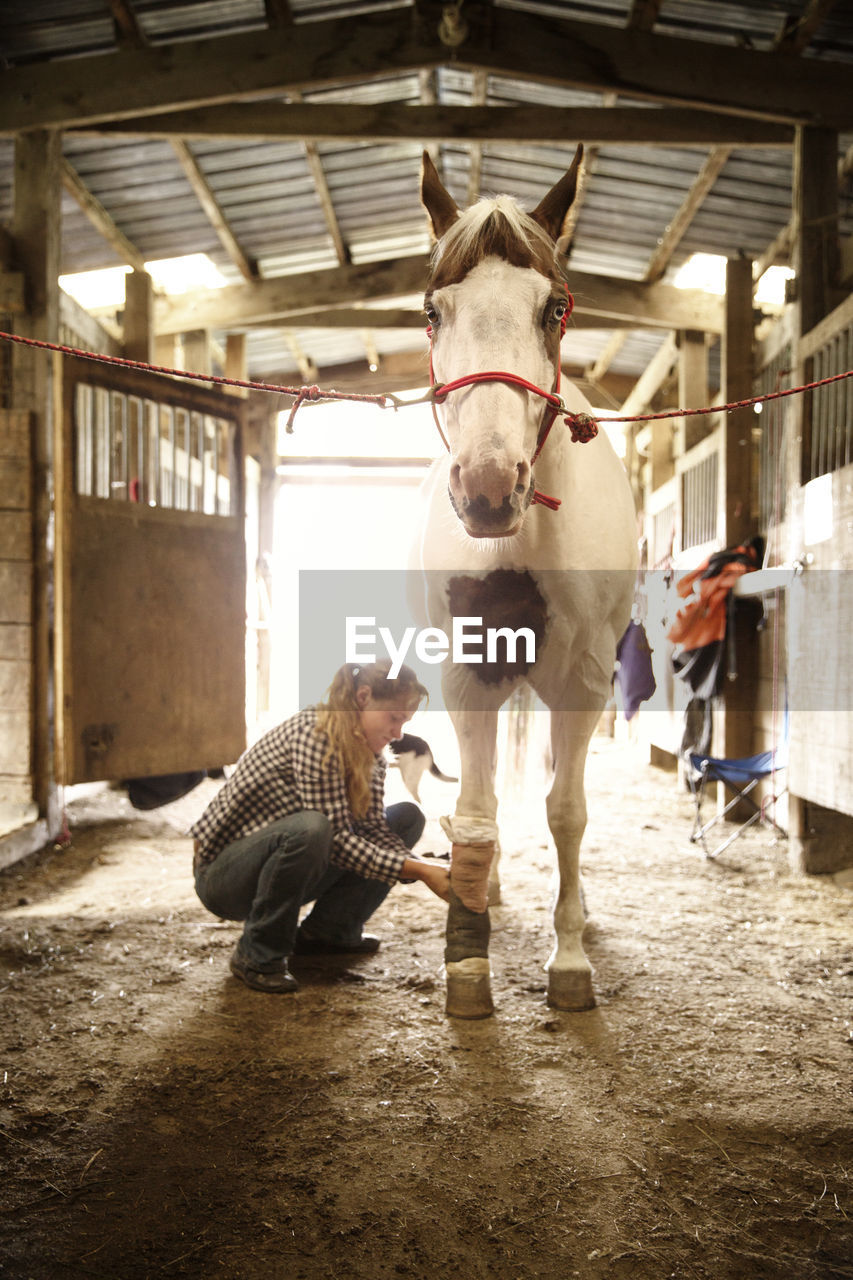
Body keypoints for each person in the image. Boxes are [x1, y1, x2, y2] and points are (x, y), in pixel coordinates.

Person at [190, 661, 450, 993]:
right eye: (393, 718)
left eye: (405, 723)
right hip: (224, 878)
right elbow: (338, 840)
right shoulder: (316, 733)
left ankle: (329, 933)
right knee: (312, 829)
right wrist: (421, 871)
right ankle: (257, 954)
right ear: (363, 697)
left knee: (406, 818)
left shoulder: (371, 754)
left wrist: (428, 865)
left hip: (285, 865)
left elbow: (372, 831)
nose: (398, 733)